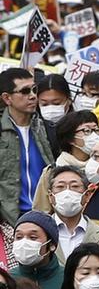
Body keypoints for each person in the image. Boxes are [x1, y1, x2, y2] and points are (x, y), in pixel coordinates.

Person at [0, 67, 55, 225]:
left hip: (47, 217)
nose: (32, 96)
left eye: (34, 89)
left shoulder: (47, 128)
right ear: (7, 98)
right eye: (24, 91)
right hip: (8, 222)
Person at [32, 110, 99, 213]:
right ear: (70, 138)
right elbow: (41, 211)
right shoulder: (51, 172)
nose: (94, 136)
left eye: (96, 130)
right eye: (87, 131)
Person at [48, 166, 99, 263]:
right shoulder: (42, 231)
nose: (67, 193)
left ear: (87, 195)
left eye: (75, 186)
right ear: (50, 196)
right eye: (60, 187)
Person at [10, 211, 64, 289]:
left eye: (33, 237)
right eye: (19, 237)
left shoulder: (68, 278)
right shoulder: (8, 280)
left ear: (51, 245)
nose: (24, 242)